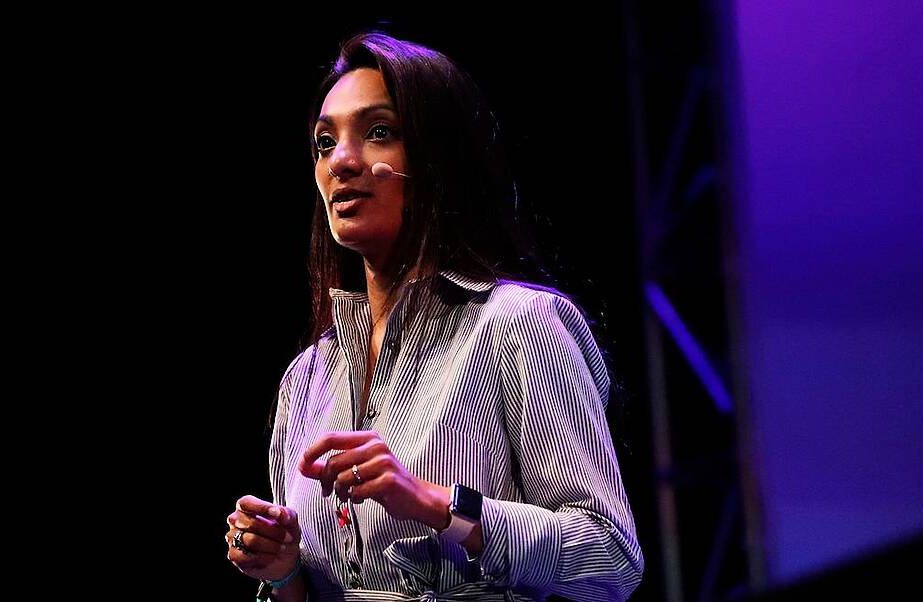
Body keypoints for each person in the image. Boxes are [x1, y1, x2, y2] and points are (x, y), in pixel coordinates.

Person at [225, 32, 644, 601]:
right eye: (325, 144)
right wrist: (284, 572)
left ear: (436, 154)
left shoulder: (518, 323)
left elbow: (612, 560)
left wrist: (435, 504)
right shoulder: (304, 382)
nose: (342, 162)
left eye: (379, 133)